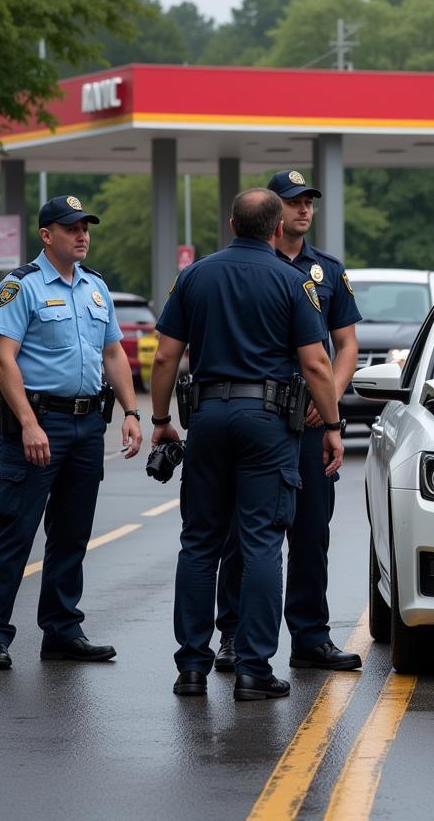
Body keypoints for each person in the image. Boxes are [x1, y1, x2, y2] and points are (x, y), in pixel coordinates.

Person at [149, 188, 344, 701]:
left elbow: (166, 358)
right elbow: (317, 363)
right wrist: (332, 426)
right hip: (267, 421)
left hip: (207, 416)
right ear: (277, 229)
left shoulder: (194, 276)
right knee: (261, 540)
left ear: (232, 223)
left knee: (199, 542)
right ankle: (254, 669)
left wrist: (162, 419)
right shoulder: (292, 281)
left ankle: (191, 667)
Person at [0, 196, 143, 671]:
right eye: (71, 228)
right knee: (17, 529)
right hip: (39, 422)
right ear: (47, 235)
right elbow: (3, 358)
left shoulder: (96, 288)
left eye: (86, 227)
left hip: (88, 423)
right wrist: (28, 422)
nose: (82, 235)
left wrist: (132, 411)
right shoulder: (20, 286)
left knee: (72, 532)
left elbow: (113, 354)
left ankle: (62, 630)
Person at [213, 169, 362, 673]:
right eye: (293, 201)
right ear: (273, 213)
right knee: (245, 530)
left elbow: (345, 346)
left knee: (311, 530)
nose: (303, 209)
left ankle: (310, 637)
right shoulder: (251, 262)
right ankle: (232, 634)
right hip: (264, 414)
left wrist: (331, 400)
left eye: (309, 202)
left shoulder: (328, 270)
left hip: (312, 418)